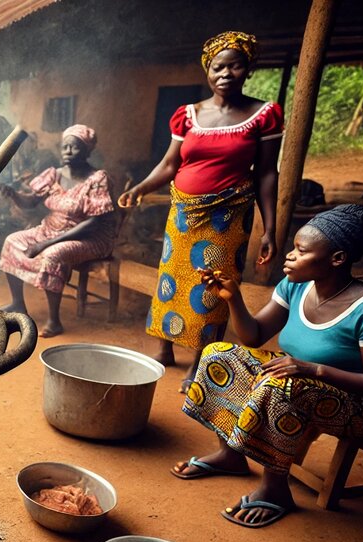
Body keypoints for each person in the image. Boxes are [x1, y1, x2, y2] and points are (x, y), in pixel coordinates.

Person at [174, 205, 363, 528]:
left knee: (282, 384)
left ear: (337, 259)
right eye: (293, 247)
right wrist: (233, 298)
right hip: (300, 380)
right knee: (219, 354)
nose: (289, 257)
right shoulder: (295, 285)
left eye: (301, 251)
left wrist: (312, 369)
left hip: (354, 406)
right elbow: (255, 335)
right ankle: (231, 453)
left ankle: (275, 488)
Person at [118, 31, 283, 392]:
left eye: (235, 65)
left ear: (248, 69)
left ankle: (200, 361)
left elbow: (268, 174)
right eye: (218, 66)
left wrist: (270, 228)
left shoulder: (263, 115)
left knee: (212, 288)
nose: (226, 73)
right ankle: (164, 349)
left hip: (228, 216)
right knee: (171, 282)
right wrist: (139, 188)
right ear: (208, 70)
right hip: (182, 214)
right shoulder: (188, 115)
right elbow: (168, 164)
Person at [0, 125, 117, 338]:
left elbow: (94, 223)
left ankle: (55, 321)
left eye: (75, 147)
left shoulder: (97, 179)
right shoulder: (54, 175)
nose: (68, 151)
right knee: (11, 240)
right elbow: (31, 203)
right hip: (50, 229)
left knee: (54, 255)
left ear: (88, 151)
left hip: (89, 237)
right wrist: (14, 194)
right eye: (65, 147)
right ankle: (18, 304)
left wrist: (45, 244)